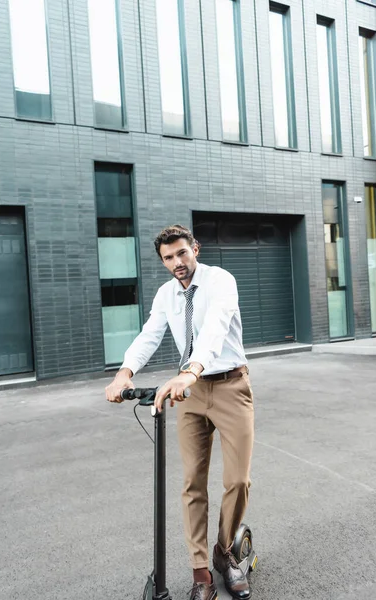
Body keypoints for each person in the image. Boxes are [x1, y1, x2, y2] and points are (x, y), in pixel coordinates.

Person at [105, 225, 254, 600]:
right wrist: (125, 373)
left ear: (195, 249)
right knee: (192, 484)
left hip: (229, 385)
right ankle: (201, 573)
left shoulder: (220, 281)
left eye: (182, 253)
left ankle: (225, 553)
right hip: (189, 394)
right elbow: (150, 334)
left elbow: (216, 328)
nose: (177, 263)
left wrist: (190, 371)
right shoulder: (166, 294)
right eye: (169, 258)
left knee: (238, 481)